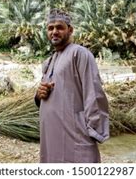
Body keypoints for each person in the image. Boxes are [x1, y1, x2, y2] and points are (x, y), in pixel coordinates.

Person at [34, 9, 109, 163]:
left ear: (70, 30)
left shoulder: (80, 54)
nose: (54, 32)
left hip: (76, 136)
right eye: (50, 28)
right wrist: (38, 94)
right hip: (50, 137)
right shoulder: (48, 62)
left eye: (59, 27)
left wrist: (93, 131)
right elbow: (46, 96)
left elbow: (93, 93)